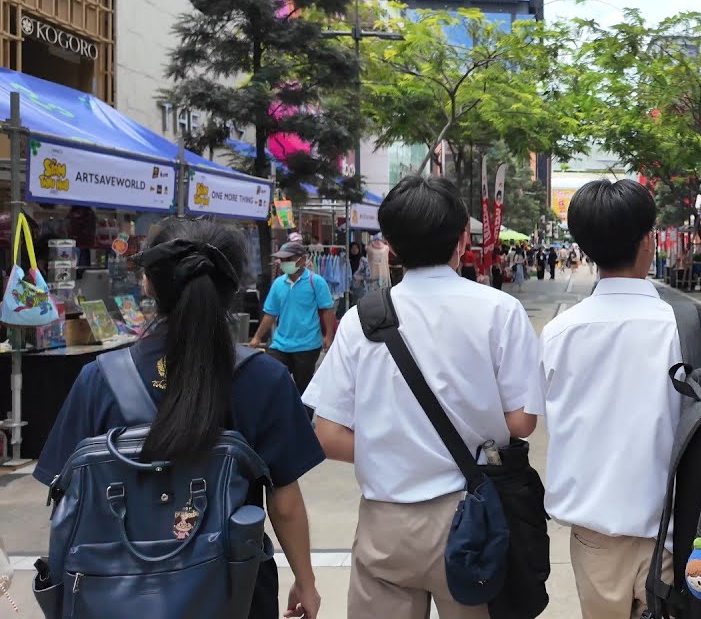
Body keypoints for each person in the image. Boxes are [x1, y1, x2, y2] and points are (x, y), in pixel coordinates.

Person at [35, 218, 325, 619]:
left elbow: (65, 497)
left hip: (115, 594)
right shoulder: (265, 378)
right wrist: (306, 581)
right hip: (233, 593)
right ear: (233, 286)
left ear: (149, 285)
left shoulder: (98, 379)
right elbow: (285, 501)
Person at [303, 175, 543, 619]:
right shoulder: (499, 311)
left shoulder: (363, 319)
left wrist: (395, 446)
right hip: (474, 517)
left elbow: (328, 433)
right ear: (459, 241)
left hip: (387, 524)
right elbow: (523, 421)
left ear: (390, 246)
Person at [539, 179, 701, 619]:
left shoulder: (557, 335)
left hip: (594, 541)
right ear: (648, 241)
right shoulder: (693, 328)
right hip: (676, 535)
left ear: (585, 247)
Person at [249, 242, 336, 407]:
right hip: (280, 344)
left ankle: (304, 422)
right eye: (281, 260)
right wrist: (257, 337)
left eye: (288, 259)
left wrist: (328, 336)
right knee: (270, 380)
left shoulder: (315, 282)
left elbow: (327, 310)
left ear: (302, 260)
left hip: (307, 345)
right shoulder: (278, 284)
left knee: (304, 388)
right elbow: (270, 314)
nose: (284, 263)